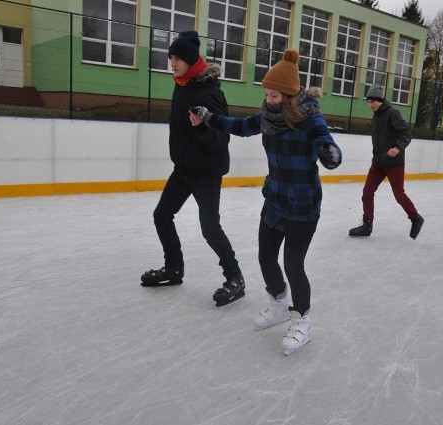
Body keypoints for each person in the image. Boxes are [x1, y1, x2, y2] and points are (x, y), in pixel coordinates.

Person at [191, 49, 342, 355]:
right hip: (274, 200)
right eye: (267, 94)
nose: (269, 100)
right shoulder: (268, 118)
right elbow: (240, 126)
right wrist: (208, 118)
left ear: (288, 95)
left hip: (302, 206)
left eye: (274, 95)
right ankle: (279, 302)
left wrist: (330, 154)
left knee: (293, 264)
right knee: (265, 257)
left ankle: (303, 319)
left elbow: (328, 144)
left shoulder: (310, 119)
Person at [140, 31, 244, 308]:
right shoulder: (182, 84)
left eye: (177, 58)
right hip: (184, 167)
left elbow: (221, 139)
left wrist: (201, 129)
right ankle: (173, 269)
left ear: (190, 60)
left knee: (210, 228)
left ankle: (235, 278)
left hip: (207, 171)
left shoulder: (209, 93)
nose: (172, 62)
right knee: (162, 215)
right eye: (171, 57)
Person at [348, 84, 424, 239]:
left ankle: (415, 218)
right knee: (367, 192)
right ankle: (367, 224)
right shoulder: (376, 115)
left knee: (398, 194)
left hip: (394, 163)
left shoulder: (392, 113)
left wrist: (397, 147)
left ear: (381, 100)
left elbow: (405, 133)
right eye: (368, 102)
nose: (370, 105)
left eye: (373, 102)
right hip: (378, 163)